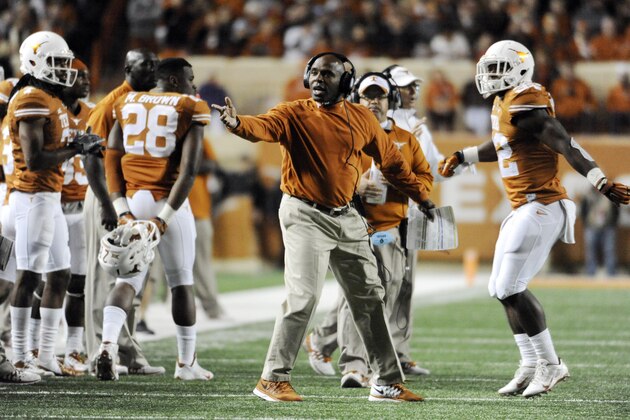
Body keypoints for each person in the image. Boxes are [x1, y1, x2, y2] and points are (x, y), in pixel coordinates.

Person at [212, 52, 433, 403]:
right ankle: (272, 378)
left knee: (370, 297)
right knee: (304, 298)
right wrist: (237, 123)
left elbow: (391, 161)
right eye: (313, 73)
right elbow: (262, 127)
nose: (318, 79)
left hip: (345, 216)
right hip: (304, 213)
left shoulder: (361, 117)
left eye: (327, 74)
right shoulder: (293, 112)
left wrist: (421, 197)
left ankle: (386, 380)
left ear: (345, 82)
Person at [438, 40, 630, 398]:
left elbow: (565, 143)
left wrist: (600, 180)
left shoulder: (528, 103)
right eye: (488, 68)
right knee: (500, 288)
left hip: (541, 205)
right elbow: (501, 143)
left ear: (520, 70)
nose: (489, 76)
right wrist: (463, 156)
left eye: (497, 69)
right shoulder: (504, 103)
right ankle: (530, 362)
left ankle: (552, 363)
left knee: (510, 287)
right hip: (524, 207)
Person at [96, 57, 214, 382]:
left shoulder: (126, 100)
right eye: (190, 77)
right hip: (166, 202)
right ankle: (186, 362)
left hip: (133, 200)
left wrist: (121, 208)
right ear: (174, 81)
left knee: (127, 281)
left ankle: (106, 344)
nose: (193, 83)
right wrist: (162, 220)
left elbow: (112, 157)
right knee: (181, 283)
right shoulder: (190, 105)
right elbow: (189, 171)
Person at [7, 31, 102, 376]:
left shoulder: (51, 98)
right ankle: (20, 354)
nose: (65, 70)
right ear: (34, 61)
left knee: (60, 274)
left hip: (51, 196)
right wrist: (78, 149)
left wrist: (80, 142)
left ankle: (46, 353)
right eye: (57, 62)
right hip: (33, 194)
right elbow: (34, 160)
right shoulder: (31, 97)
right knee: (28, 276)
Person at [340, 72, 434, 388]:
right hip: (351, 225)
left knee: (388, 291)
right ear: (357, 99)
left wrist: (402, 186)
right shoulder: (345, 134)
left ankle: (376, 359)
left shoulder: (406, 139)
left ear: (390, 100)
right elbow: (328, 173)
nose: (373, 102)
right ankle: (353, 365)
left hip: (387, 229)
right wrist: (356, 185)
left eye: (379, 96)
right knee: (353, 293)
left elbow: (424, 178)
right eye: (368, 96)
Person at [84, 48, 165, 376]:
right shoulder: (110, 105)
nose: (154, 70)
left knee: (133, 272)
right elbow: (91, 157)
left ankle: (126, 350)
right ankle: (96, 351)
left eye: (156, 65)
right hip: (108, 196)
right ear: (128, 67)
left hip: (130, 197)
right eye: (147, 65)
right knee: (103, 275)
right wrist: (106, 203)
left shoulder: (145, 103)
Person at [580, 187, 620, 277]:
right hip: (591, 226)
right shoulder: (587, 195)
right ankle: (590, 272)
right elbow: (583, 210)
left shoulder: (611, 195)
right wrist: (586, 223)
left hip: (608, 227)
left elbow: (616, 210)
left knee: (609, 250)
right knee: (590, 250)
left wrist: (613, 224)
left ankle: (611, 272)